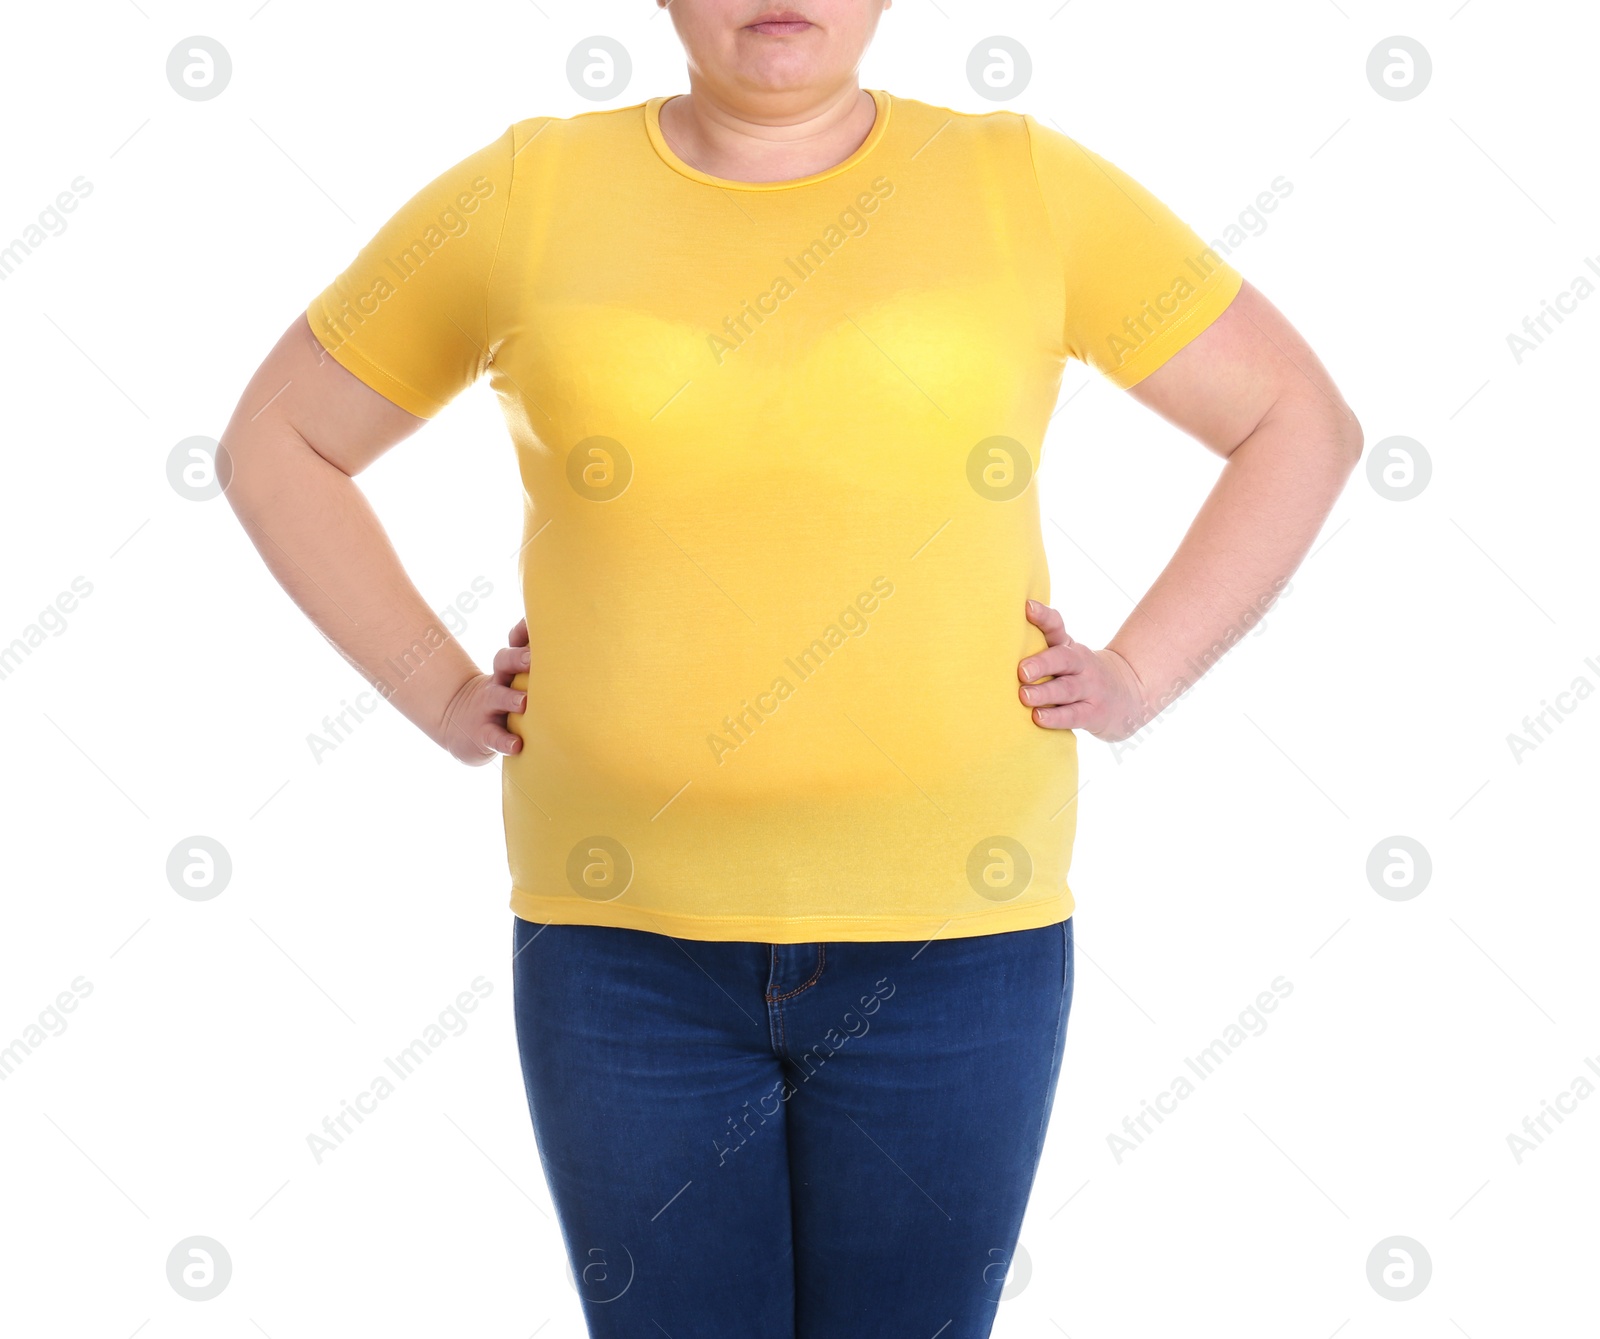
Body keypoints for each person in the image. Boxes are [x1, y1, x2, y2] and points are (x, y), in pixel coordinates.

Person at [219, 2, 1361, 1334]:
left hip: (956, 945)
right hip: (620, 951)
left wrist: (1142, 672)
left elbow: (1300, 422)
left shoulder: (1018, 184)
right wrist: (434, 685)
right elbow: (276, 444)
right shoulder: (530, 192)